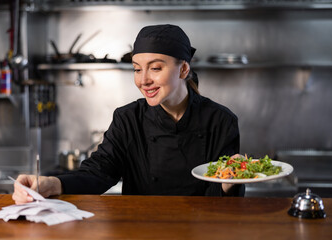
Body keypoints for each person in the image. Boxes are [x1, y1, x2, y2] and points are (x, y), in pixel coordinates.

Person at [13, 24, 244, 204]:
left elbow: (224, 196)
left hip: (200, 229)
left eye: (155, 68)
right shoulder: (128, 119)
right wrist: (52, 184)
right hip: (140, 227)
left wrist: (229, 180)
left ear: (183, 69)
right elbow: (98, 172)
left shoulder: (221, 121)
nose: (143, 80)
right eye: (136, 69)